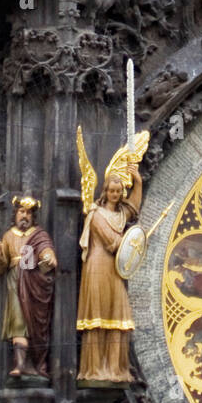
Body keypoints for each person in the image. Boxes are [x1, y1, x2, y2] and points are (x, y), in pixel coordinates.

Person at [77, 162, 142, 383]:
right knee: (98, 314)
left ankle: (116, 369)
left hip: (115, 269)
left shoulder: (122, 213)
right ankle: (94, 369)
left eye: (118, 191)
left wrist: (138, 182)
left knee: (118, 314)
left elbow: (134, 206)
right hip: (98, 267)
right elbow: (112, 242)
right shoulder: (96, 215)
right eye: (111, 191)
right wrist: (132, 244)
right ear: (105, 192)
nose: (115, 195)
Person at [0, 196, 57, 378]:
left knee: (34, 323)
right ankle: (20, 365)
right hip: (14, 283)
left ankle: (33, 364)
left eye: (28, 212)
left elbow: (46, 250)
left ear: (33, 216)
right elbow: (0, 269)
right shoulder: (8, 236)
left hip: (34, 283)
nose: (25, 216)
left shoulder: (39, 234)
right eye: (21, 211)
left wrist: (48, 256)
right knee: (19, 323)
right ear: (15, 214)